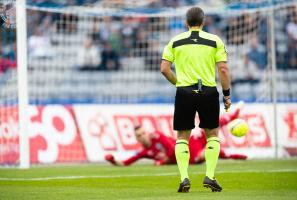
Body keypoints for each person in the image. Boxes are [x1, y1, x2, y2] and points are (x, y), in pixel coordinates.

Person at [160, 7, 231, 192]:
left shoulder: (175, 41)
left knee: (182, 136)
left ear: (186, 22)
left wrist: (178, 84)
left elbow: (164, 68)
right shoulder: (214, 40)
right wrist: (227, 95)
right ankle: (210, 176)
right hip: (207, 91)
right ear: (203, 22)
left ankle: (184, 179)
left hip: (184, 92)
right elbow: (223, 69)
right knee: (212, 135)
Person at [105, 103, 246, 166]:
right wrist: (112, 160)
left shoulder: (157, 136)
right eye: (139, 136)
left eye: (143, 133)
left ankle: (233, 115)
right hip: (189, 158)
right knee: (211, 152)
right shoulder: (145, 152)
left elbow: (173, 149)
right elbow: (125, 163)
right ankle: (235, 156)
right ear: (137, 139)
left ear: (146, 132)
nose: (143, 136)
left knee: (210, 126)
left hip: (189, 146)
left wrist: (163, 161)